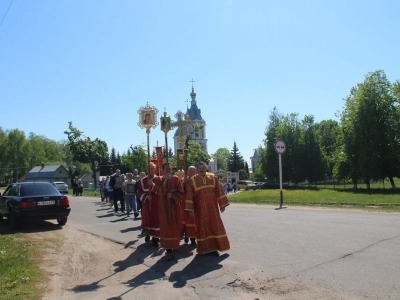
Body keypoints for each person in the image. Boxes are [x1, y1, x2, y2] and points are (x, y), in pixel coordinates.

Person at [185, 161, 230, 256]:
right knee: (203, 228)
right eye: (200, 168)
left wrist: (222, 205)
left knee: (215, 227)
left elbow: (219, 190)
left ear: (206, 168)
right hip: (200, 210)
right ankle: (205, 249)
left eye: (203, 168)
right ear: (197, 170)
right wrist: (190, 210)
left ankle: (215, 247)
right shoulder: (192, 180)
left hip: (213, 209)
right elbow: (189, 196)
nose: (202, 170)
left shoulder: (213, 177)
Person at [153, 162, 184, 260]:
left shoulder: (176, 179)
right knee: (166, 225)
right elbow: (158, 191)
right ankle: (168, 248)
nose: (168, 170)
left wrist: (174, 196)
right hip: (164, 206)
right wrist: (165, 180)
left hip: (174, 205)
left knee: (175, 225)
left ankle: (175, 244)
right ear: (162, 170)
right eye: (166, 169)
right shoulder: (158, 179)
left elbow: (181, 192)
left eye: (169, 168)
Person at [137, 163, 160, 247]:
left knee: (156, 221)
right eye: (150, 168)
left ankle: (155, 239)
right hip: (147, 204)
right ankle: (148, 233)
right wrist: (146, 196)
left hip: (156, 204)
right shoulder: (143, 180)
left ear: (155, 169)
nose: (151, 170)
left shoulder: (158, 179)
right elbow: (139, 192)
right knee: (147, 220)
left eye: (153, 168)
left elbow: (161, 191)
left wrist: (153, 185)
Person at [181, 166, 197, 245]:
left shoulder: (197, 179)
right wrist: (184, 183)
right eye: (190, 171)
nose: (191, 172)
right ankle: (186, 236)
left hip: (194, 203)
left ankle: (193, 239)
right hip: (185, 203)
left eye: (193, 171)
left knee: (193, 221)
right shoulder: (184, 180)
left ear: (195, 172)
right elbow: (181, 190)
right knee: (185, 221)